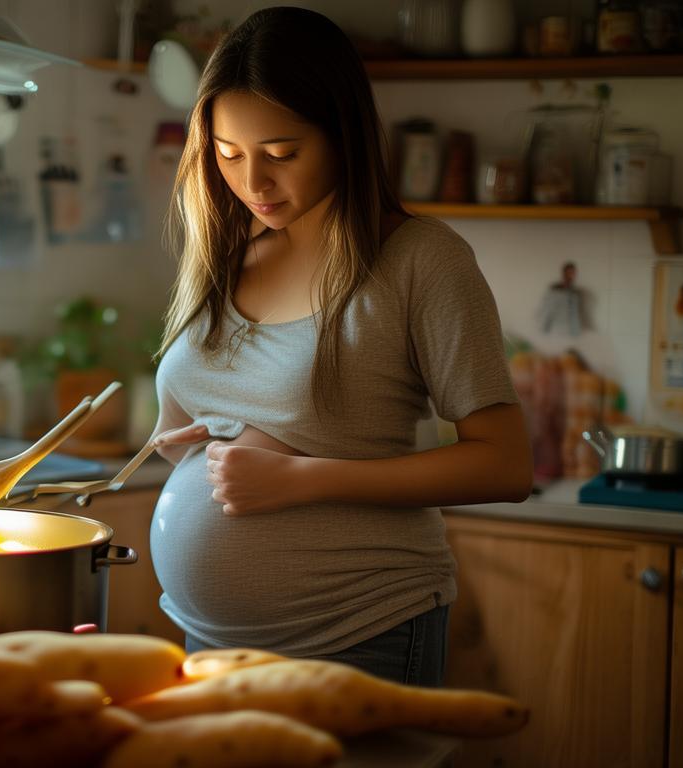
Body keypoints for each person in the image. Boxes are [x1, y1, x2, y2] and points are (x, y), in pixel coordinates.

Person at [148, 6, 532, 688]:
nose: (253, 184)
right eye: (228, 155)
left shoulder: (421, 261)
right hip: (204, 645)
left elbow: (504, 465)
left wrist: (302, 479)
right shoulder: (228, 255)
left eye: (282, 153)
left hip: (358, 635)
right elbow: (191, 435)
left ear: (342, 133)